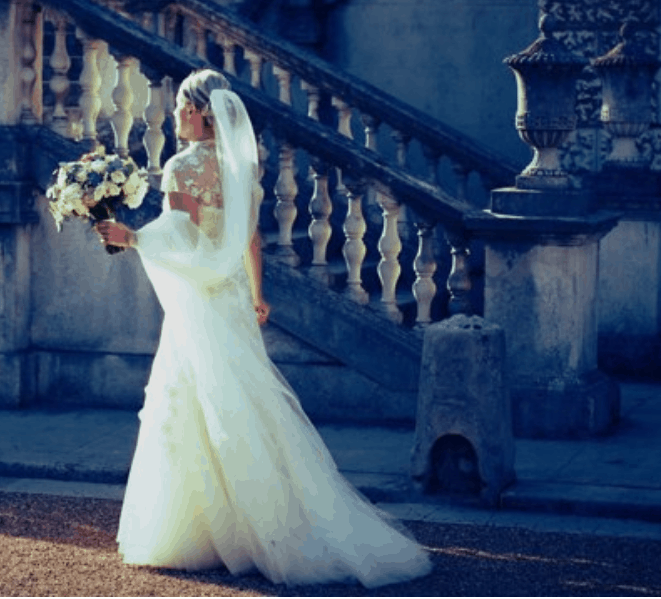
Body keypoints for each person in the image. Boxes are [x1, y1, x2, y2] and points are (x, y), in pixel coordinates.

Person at [96, 69, 432, 588]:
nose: (177, 116)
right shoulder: (239, 170)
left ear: (203, 113)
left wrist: (129, 237)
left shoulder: (182, 167)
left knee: (198, 400)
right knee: (241, 401)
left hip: (200, 303)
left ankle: (203, 533)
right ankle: (260, 524)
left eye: (184, 107)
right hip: (229, 298)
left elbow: (181, 240)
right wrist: (257, 295)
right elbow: (249, 241)